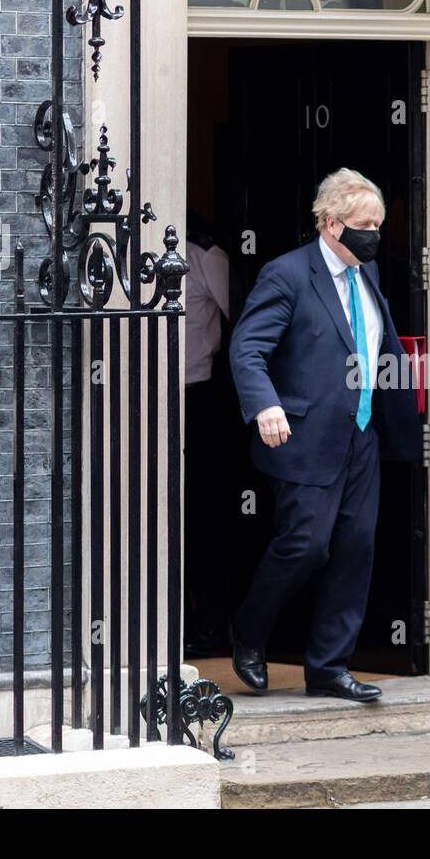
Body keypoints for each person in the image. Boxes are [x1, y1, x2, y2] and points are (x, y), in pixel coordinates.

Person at [227, 168, 421, 701]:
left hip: (363, 436)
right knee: (305, 546)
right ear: (331, 224)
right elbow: (248, 349)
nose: (375, 235)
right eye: (365, 225)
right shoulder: (286, 275)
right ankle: (248, 629)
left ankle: (329, 667)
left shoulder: (369, 277)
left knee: (356, 549)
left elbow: (379, 353)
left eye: (379, 224)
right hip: (302, 437)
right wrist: (265, 405)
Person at [183, 211, 233, 658]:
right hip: (146, 393)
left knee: (199, 514)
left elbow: (244, 316)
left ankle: (211, 624)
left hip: (197, 395)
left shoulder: (205, 253)